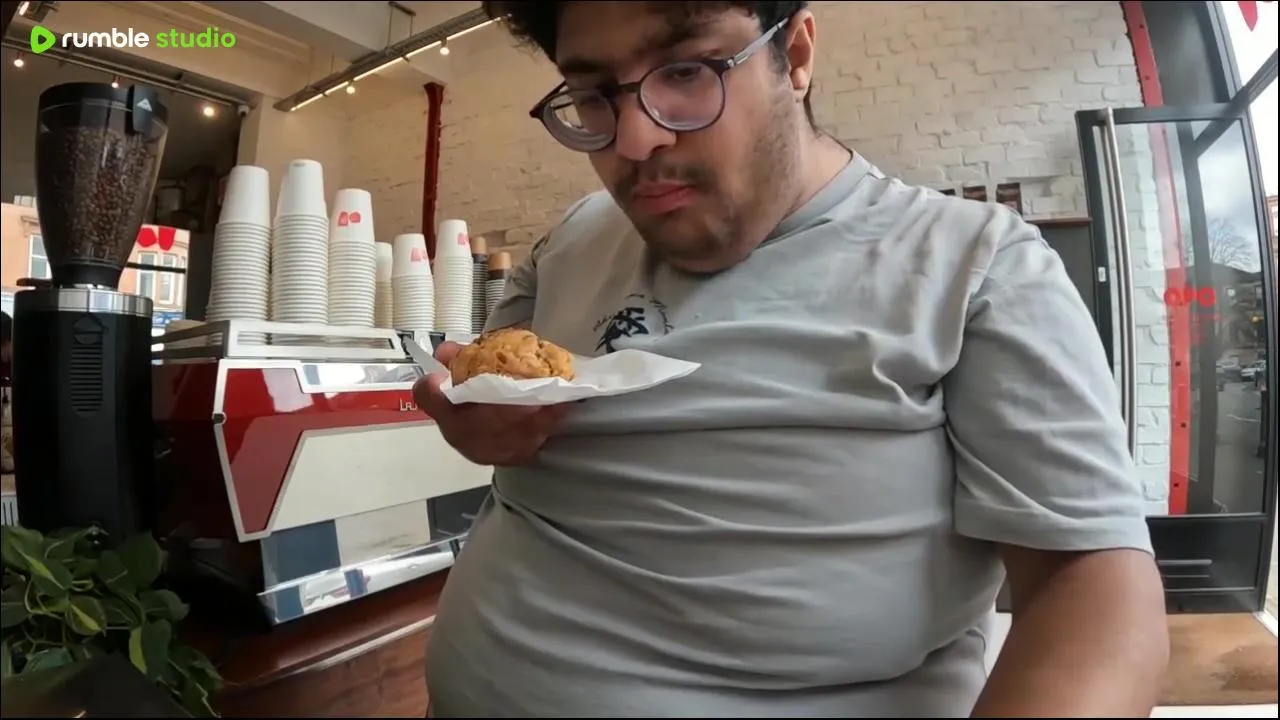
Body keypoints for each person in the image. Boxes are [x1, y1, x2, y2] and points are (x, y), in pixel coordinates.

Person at [412, 2, 1169, 716]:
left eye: (686, 71)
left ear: (796, 54)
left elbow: (1092, 587)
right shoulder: (572, 237)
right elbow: (488, 378)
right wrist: (478, 424)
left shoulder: (974, 268)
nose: (635, 140)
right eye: (593, 95)